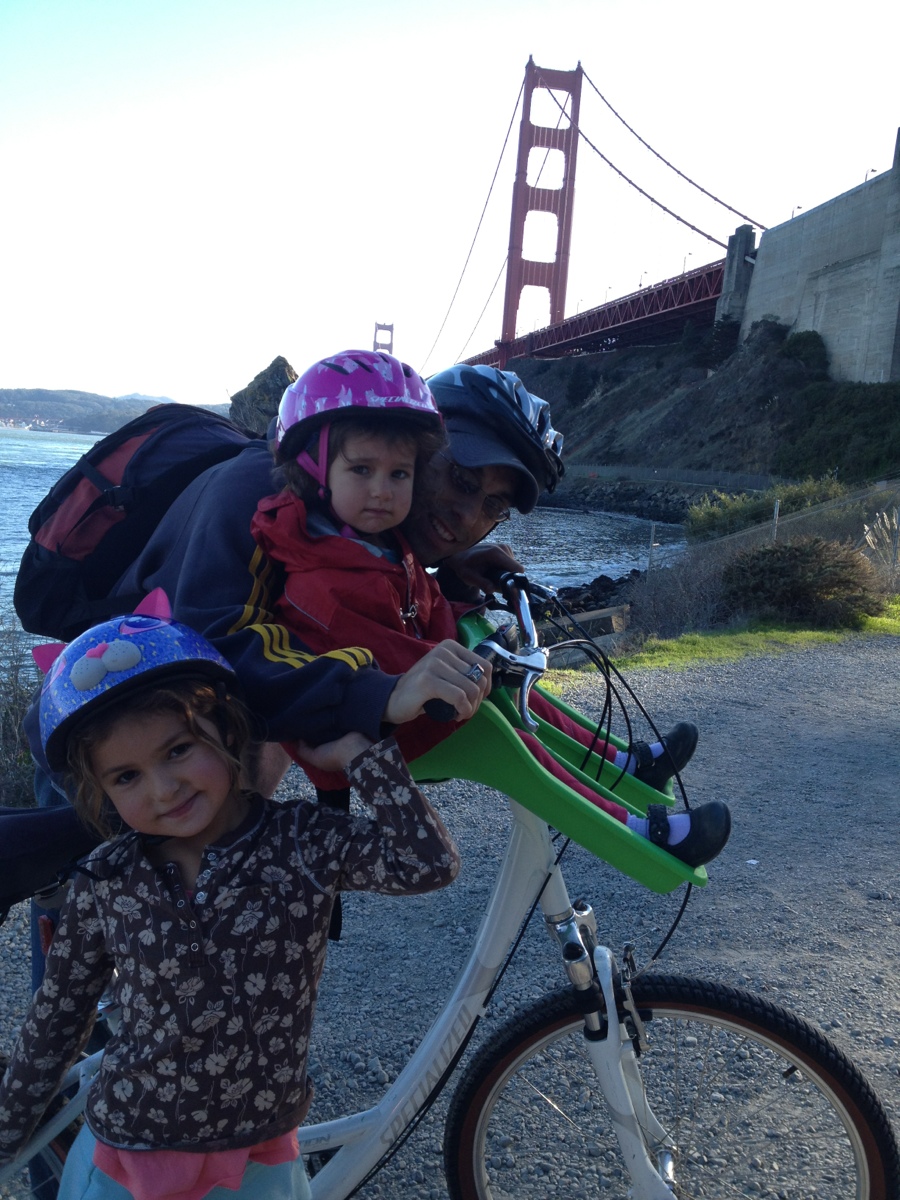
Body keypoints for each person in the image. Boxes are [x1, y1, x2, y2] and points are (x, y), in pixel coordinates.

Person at [0, 592, 459, 1199]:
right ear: (101, 791)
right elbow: (57, 1019)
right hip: (124, 1166)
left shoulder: (301, 842)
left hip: (258, 1165)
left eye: (178, 750)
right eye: (127, 776)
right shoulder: (106, 879)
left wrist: (361, 757)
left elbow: (426, 862)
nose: (163, 789)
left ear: (228, 727)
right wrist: (5, 1134)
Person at [248, 350, 728, 868]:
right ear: (320, 471)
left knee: (516, 697)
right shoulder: (321, 573)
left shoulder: (376, 541)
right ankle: (640, 835)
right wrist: (470, 656)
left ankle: (622, 761)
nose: (381, 492)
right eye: (460, 478)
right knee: (510, 746)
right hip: (372, 729)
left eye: (397, 474)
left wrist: (457, 591)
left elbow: (419, 614)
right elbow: (383, 653)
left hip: (399, 709)